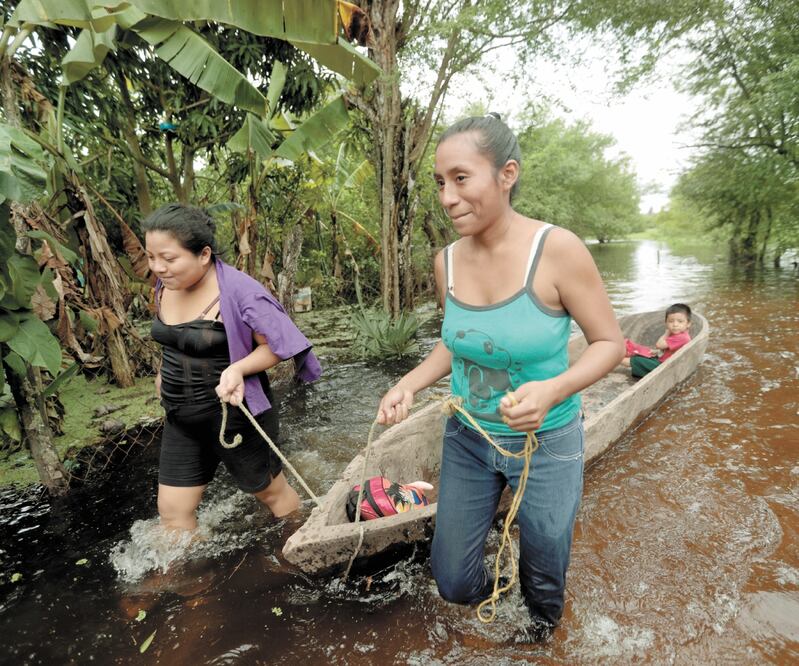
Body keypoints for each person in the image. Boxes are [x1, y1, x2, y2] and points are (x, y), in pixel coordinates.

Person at [376, 113, 624, 641]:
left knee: (544, 586)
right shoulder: (446, 262)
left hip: (547, 441)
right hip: (468, 437)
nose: (447, 197)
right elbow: (455, 341)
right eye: (441, 183)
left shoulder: (558, 251)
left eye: (461, 178)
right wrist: (410, 383)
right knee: (454, 582)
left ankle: (537, 641)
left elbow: (610, 343)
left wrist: (553, 389)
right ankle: (499, 586)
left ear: (506, 174)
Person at [143, 204, 321, 531]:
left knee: (271, 493)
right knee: (171, 511)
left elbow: (278, 344)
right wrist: (162, 375)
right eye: (151, 257)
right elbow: (174, 339)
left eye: (168, 259)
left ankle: (303, 545)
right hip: (180, 416)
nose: (159, 268)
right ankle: (192, 580)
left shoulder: (240, 292)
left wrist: (238, 369)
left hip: (234, 413)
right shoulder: (164, 286)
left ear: (203, 254)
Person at [621, 303, 692, 378]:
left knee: (637, 360)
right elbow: (670, 349)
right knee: (644, 352)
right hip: (664, 361)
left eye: (680, 321)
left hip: (664, 367)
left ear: (688, 324)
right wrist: (657, 352)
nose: (675, 324)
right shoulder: (681, 334)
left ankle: (615, 361)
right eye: (671, 321)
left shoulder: (682, 338)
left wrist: (666, 333)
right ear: (666, 323)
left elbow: (658, 345)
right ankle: (622, 355)